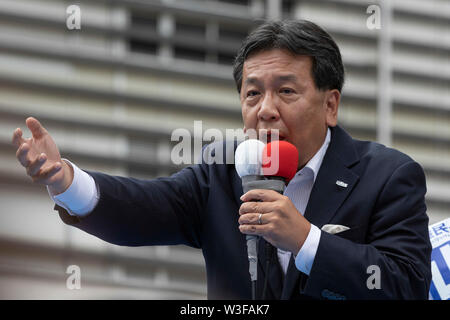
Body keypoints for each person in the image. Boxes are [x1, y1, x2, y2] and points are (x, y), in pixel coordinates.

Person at [11, 20, 431, 300]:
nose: (265, 109)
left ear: (330, 105)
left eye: (286, 91)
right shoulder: (224, 171)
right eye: (252, 94)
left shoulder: (388, 175)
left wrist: (306, 240)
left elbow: (408, 284)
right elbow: (145, 206)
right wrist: (66, 181)